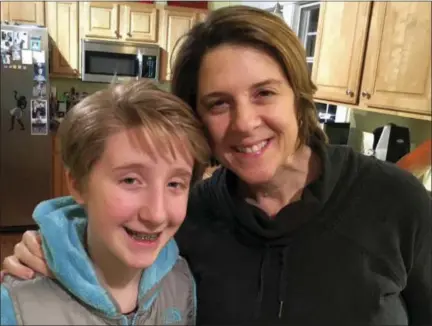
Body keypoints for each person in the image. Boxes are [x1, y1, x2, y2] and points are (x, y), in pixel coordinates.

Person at [2, 6, 431, 325]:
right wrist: (55, 248)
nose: (245, 123)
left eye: (264, 93)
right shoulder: (188, 215)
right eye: (219, 103)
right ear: (198, 119)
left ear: (298, 98)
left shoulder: (398, 204)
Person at [1, 80, 210, 325]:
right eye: (131, 180)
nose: (156, 214)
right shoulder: (18, 306)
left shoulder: (180, 281)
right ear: (78, 184)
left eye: (174, 184)